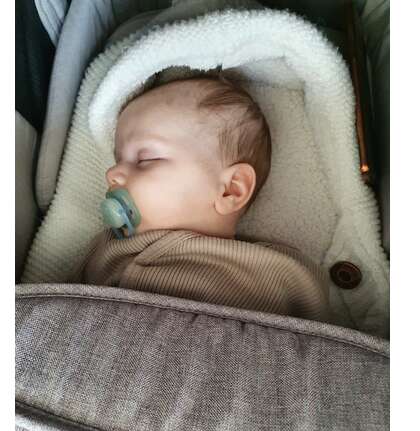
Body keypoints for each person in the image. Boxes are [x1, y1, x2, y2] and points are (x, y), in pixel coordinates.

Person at [74, 75, 329, 321]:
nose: (112, 173)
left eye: (146, 159)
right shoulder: (103, 252)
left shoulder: (278, 275)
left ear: (231, 190)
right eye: (118, 159)